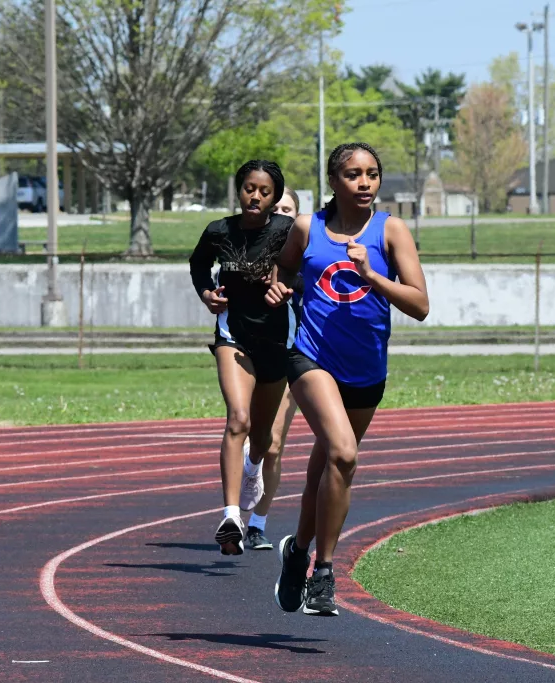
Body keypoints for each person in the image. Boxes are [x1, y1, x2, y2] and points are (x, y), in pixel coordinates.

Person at [265, 142, 429, 616]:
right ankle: (323, 573)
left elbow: (420, 305)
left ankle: (297, 551)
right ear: (333, 181)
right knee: (343, 453)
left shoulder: (391, 230)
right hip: (311, 357)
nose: (364, 183)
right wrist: (278, 286)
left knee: (326, 470)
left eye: (372, 174)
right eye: (354, 174)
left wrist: (372, 275)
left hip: (366, 370)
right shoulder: (306, 227)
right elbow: (284, 269)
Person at [189, 160, 295, 556]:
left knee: (263, 439)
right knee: (238, 419)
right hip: (233, 335)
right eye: (250, 188)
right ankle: (231, 516)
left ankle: (252, 468)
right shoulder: (219, 231)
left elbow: (309, 272)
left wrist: (286, 285)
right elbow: (198, 264)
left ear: (274, 197)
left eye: (265, 191)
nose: (256, 196)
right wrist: (206, 293)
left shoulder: (287, 231)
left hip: (276, 340)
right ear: (239, 190)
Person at [241, 187, 304, 551]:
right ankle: (234, 506)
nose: (280, 213)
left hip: (293, 357)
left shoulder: (308, 254)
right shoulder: (247, 247)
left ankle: (257, 524)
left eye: (287, 209)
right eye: (275, 208)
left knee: (274, 444)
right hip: (250, 357)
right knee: (247, 431)